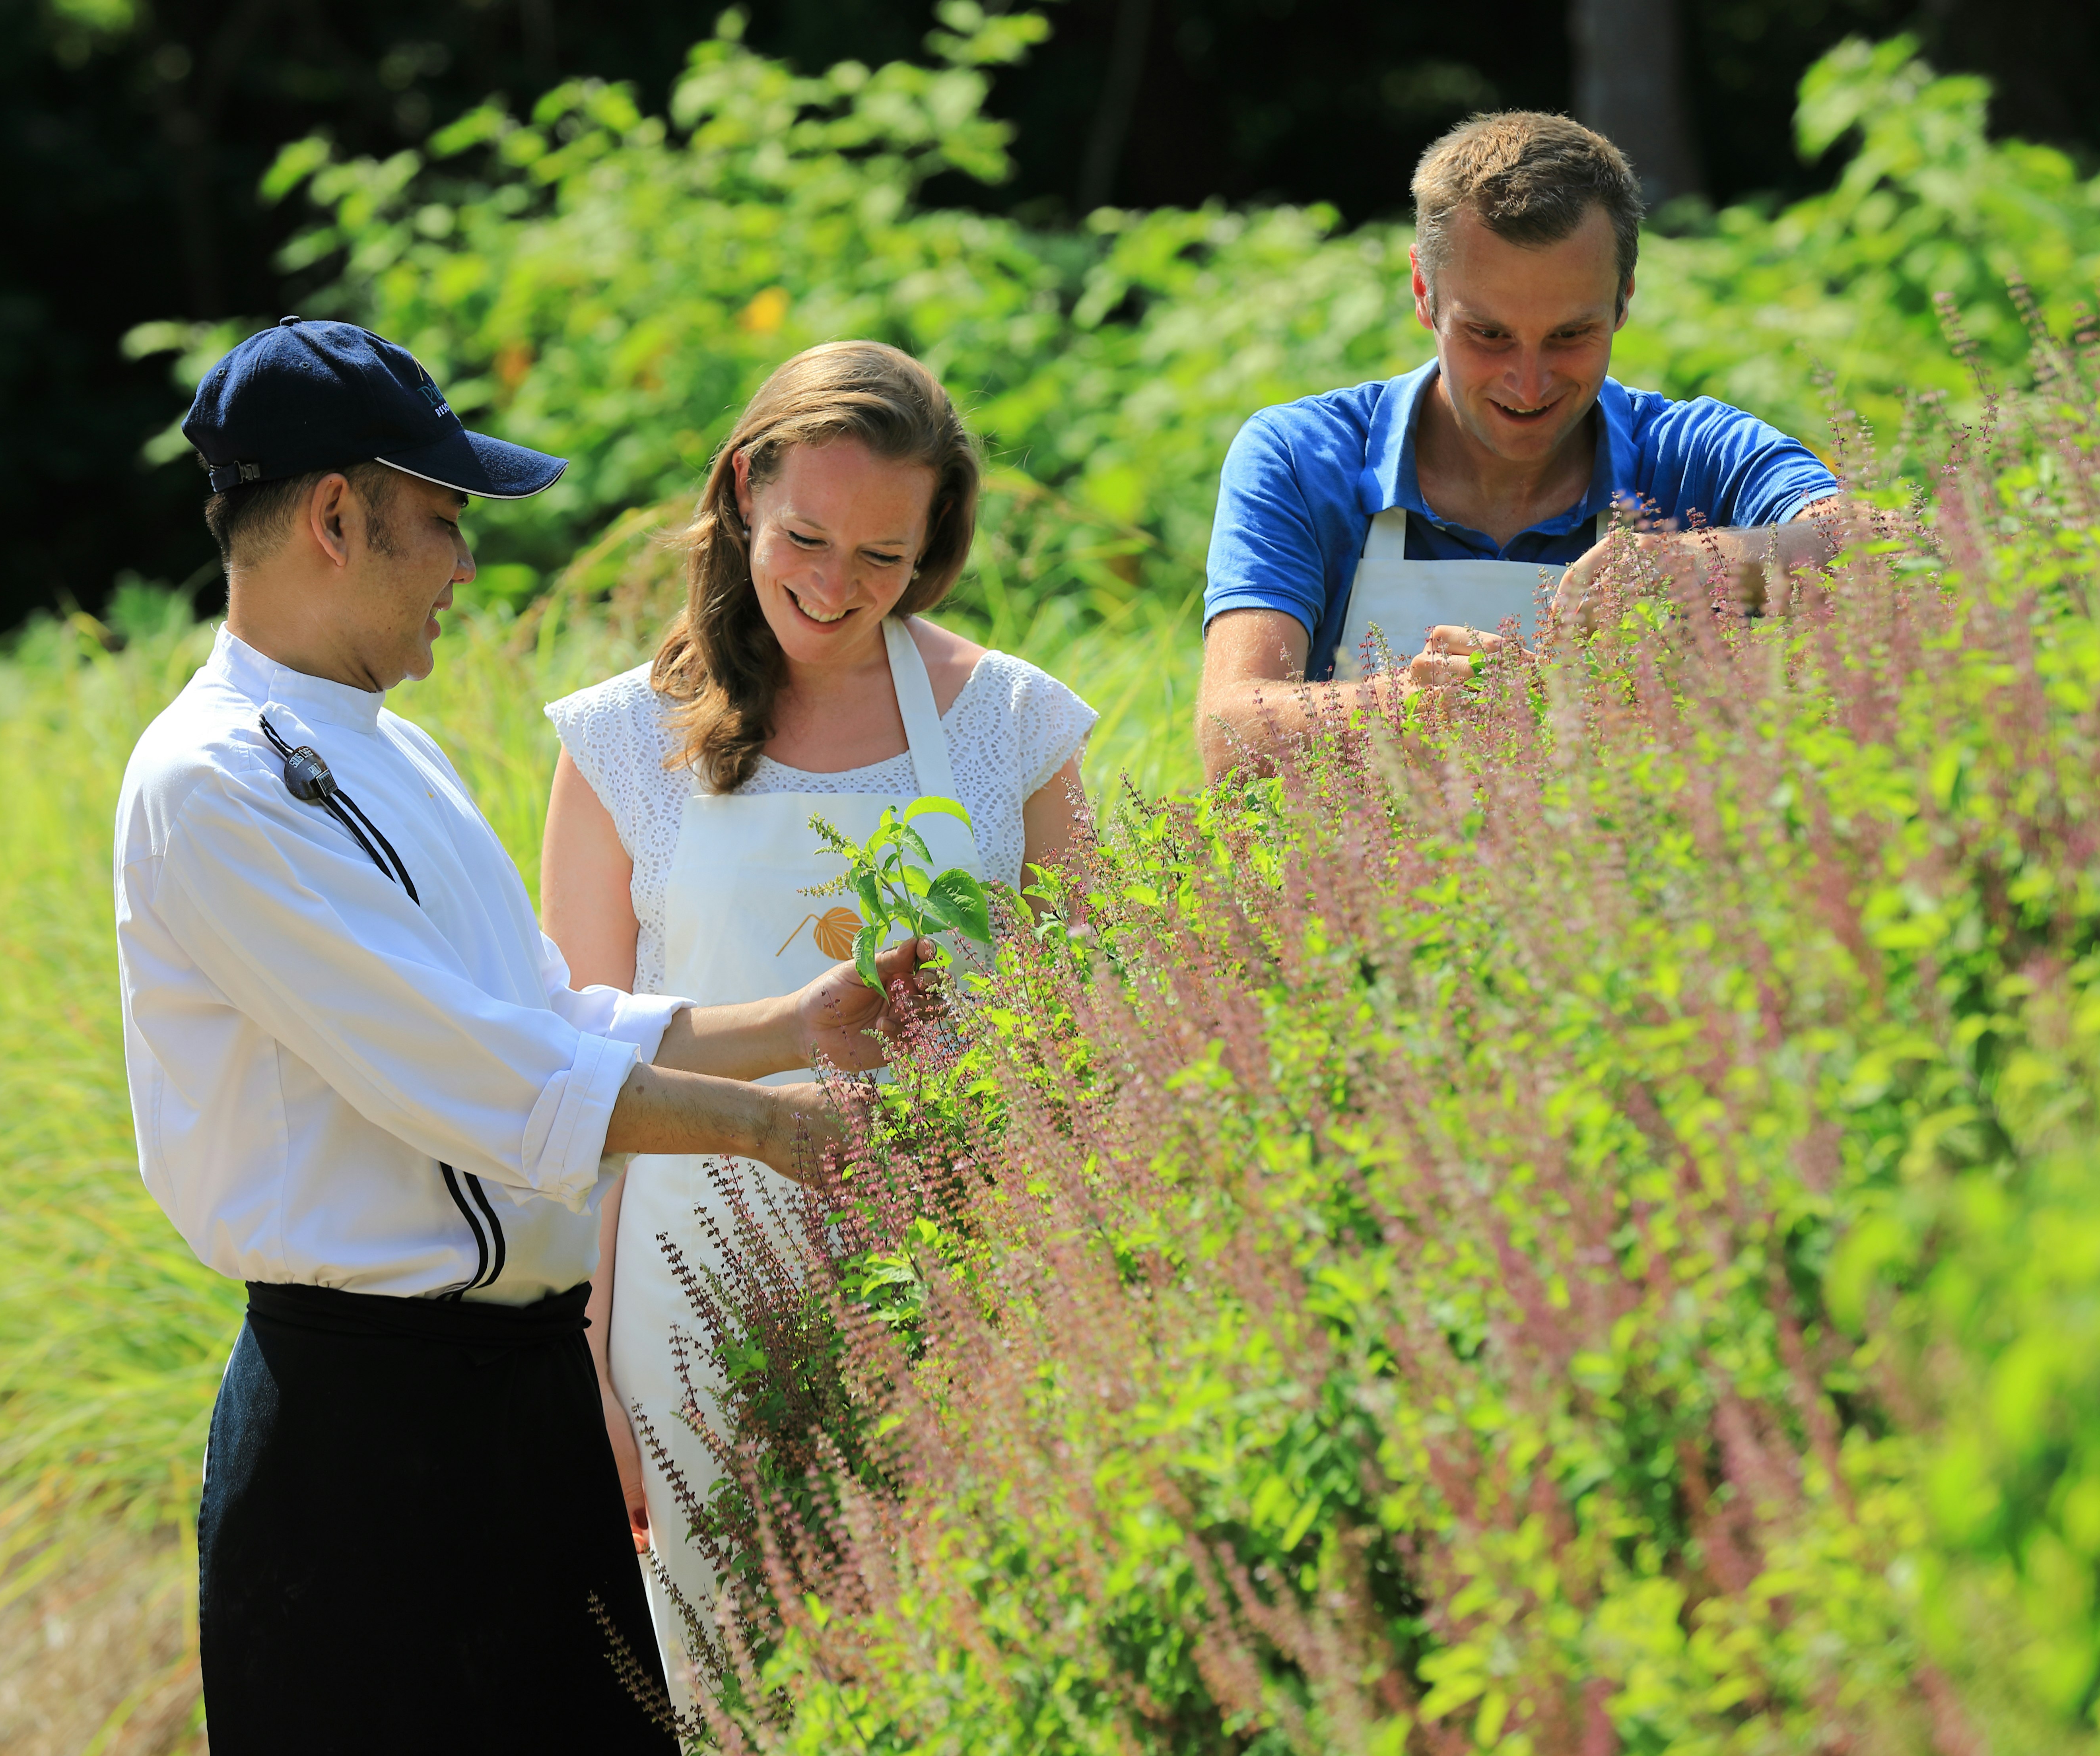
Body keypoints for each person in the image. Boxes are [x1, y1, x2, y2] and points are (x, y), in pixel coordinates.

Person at [114, 318, 935, 1751]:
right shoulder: (212, 783)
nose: (463, 562)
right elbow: (476, 1077)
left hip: (523, 1404)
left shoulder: (390, 746)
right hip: (359, 1435)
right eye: (439, 520)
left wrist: (790, 1025)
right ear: (331, 518)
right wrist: (782, 1132)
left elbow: (544, 1014)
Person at [537, 339, 1094, 1721]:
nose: (837, 588)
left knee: (950, 1686)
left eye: (885, 557)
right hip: (682, 1300)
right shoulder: (623, 741)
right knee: (731, 1693)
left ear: (935, 548)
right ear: (741, 493)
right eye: (806, 537)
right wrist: (589, 1372)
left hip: (958, 1276)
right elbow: (574, 1076)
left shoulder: (1009, 724)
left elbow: (1086, 1030)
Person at [1195, 112, 1844, 778]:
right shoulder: (1304, 457)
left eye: (1569, 336)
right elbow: (1230, 735)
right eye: (1489, 335)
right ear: (1425, 293)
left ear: (1623, 300)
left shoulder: (1693, 453)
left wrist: (1697, 561)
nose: (1528, 384)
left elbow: (1905, 551)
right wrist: (1426, 711)